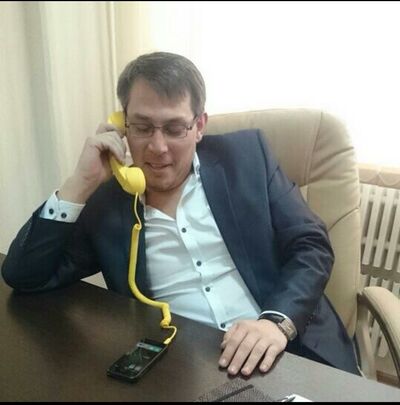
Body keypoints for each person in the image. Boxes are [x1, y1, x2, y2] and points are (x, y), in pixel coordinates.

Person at [1, 51, 359, 376]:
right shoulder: (107, 204)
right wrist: (79, 183)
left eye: (174, 128)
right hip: (183, 373)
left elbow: (311, 245)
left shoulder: (247, 157)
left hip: (287, 350)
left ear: (199, 126)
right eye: (142, 127)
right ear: (123, 125)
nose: (157, 147)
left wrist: (275, 323)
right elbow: (23, 276)